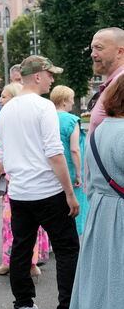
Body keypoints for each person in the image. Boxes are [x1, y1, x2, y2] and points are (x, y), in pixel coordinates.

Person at [0, 56, 80, 309]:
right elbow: (55, 154)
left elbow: (2, 150)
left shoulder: (6, 109)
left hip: (19, 191)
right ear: (37, 76)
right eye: (50, 74)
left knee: (21, 249)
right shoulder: (44, 108)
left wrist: (16, 176)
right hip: (48, 190)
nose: (52, 79)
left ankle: (24, 307)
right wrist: (69, 193)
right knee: (67, 249)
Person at [68, 74, 124, 309]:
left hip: (101, 212)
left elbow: (92, 181)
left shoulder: (101, 130)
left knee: (99, 283)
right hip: (120, 216)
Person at [0, 83, 49, 278]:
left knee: (13, 224)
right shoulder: (32, 119)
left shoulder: (6, 121)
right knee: (32, 223)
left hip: (14, 181)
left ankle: (12, 263)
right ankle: (30, 263)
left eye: (4, 96)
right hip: (34, 180)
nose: (0, 100)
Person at [51, 85, 88, 237]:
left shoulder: (48, 117)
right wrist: (79, 174)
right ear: (65, 101)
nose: (73, 102)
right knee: (74, 206)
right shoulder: (73, 120)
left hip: (52, 168)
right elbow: (75, 149)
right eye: (72, 99)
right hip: (70, 170)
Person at [88, 27, 124, 134]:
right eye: (92, 48)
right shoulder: (113, 84)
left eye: (99, 48)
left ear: (119, 52)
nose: (92, 54)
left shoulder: (121, 84)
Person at [0, 64, 22, 165]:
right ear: (11, 80)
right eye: (18, 79)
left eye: (23, 79)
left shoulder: (27, 103)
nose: (21, 83)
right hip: (5, 163)